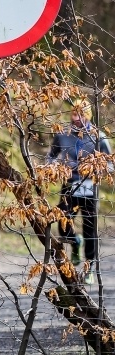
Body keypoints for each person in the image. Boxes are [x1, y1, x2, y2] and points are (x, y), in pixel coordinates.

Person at [47, 101, 112, 285]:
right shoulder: (62, 135)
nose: (77, 119)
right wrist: (54, 167)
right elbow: (51, 156)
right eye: (74, 115)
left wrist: (93, 169)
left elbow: (109, 164)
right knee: (63, 223)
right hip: (69, 184)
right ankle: (75, 242)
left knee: (90, 230)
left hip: (90, 186)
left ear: (88, 115)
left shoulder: (99, 137)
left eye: (81, 115)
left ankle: (89, 267)